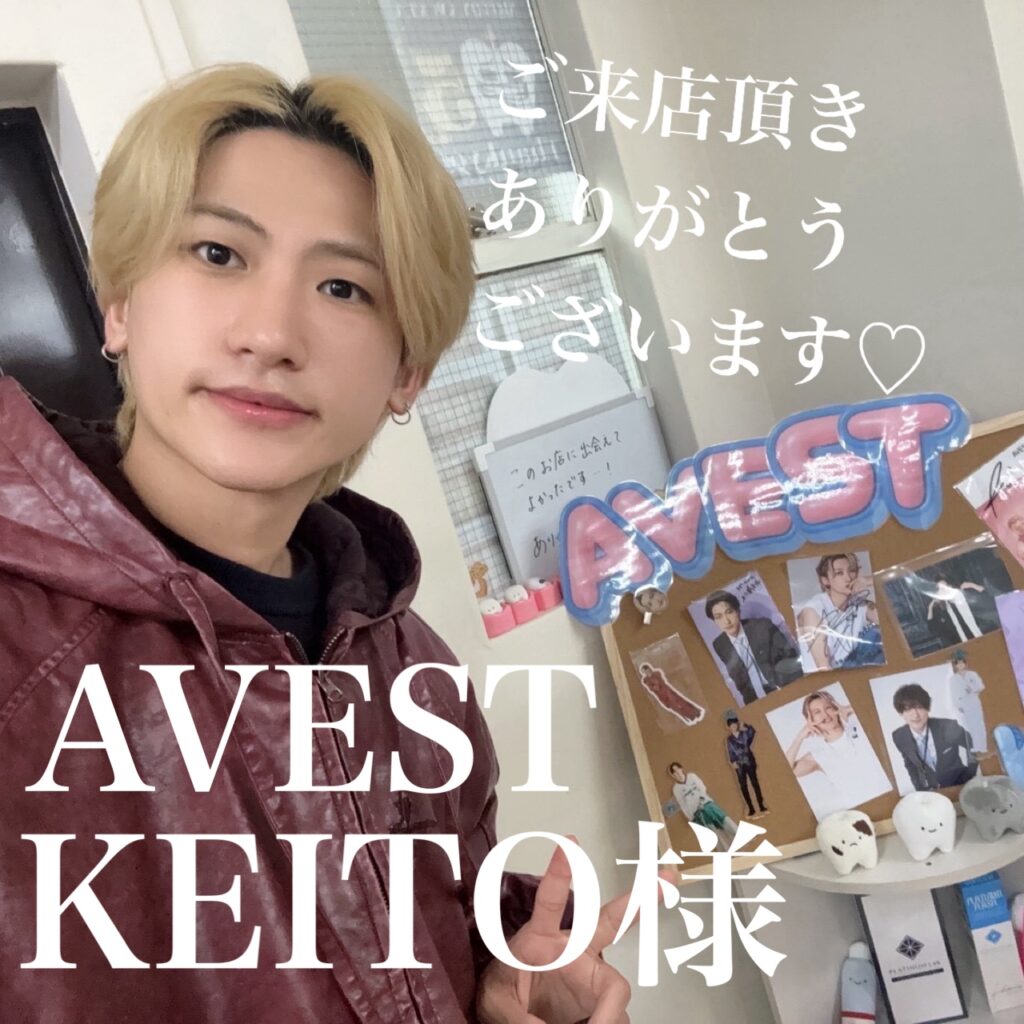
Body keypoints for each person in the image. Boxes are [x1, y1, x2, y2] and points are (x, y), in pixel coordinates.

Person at [0, 65, 637, 1024]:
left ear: (407, 371)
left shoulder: (414, 669)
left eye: (344, 286)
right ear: (120, 302)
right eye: (218, 253)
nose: (270, 334)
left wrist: (505, 997)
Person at [785, 691, 892, 816]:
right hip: (861, 812)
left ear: (836, 707)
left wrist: (850, 709)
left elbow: (888, 706)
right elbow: (784, 774)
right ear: (810, 720)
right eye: (817, 712)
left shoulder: (861, 727)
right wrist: (800, 736)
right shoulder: (817, 756)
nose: (825, 715)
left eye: (828, 708)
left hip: (890, 797)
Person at [706, 589, 803, 706]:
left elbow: (790, 656)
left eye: (729, 612)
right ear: (714, 621)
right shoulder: (719, 644)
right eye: (718, 617)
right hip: (755, 699)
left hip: (785, 686)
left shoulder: (762, 626)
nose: (726, 621)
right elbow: (736, 676)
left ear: (738, 611)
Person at [797, 553, 883, 671]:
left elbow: (889, 621)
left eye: (851, 571)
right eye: (839, 573)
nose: (848, 578)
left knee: (877, 635)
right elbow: (823, 667)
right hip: (825, 675)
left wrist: (868, 580)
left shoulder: (860, 604)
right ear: (825, 580)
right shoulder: (813, 611)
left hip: (852, 668)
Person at [891, 683, 979, 790]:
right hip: (932, 790)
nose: (915, 715)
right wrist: (920, 789)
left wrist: (970, 774)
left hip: (959, 784)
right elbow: (910, 764)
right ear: (901, 713)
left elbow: (974, 744)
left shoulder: (948, 726)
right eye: (908, 709)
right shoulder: (899, 736)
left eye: (919, 707)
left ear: (928, 708)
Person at [667, 762, 737, 845]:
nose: (677, 772)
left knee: (726, 821)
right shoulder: (676, 789)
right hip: (699, 815)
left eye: (677, 769)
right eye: (674, 772)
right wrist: (691, 819)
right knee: (715, 835)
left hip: (708, 805)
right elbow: (683, 806)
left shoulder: (692, 776)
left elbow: (702, 788)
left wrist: (701, 801)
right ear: (673, 775)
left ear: (681, 768)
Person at [724, 710, 767, 817]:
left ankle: (761, 805)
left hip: (749, 760)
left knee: (755, 783)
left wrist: (746, 725)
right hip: (739, 765)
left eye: (734, 723)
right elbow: (730, 752)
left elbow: (753, 731)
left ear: (737, 723)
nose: (733, 726)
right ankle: (751, 808)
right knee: (743, 786)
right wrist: (733, 762)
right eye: (731, 724)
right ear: (728, 726)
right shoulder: (729, 740)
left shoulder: (744, 733)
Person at [926, 573, 986, 643]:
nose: (944, 590)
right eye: (941, 588)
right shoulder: (944, 610)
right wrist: (930, 607)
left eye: (945, 586)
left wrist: (972, 585)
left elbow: (987, 596)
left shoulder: (962, 594)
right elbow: (932, 627)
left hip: (982, 635)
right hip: (963, 642)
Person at [638, 662, 704, 724]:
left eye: (645, 671)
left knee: (681, 702)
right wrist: (655, 686)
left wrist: (655, 685)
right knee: (674, 707)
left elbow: (661, 683)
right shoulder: (645, 680)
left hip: (667, 691)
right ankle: (691, 717)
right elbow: (652, 689)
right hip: (661, 695)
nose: (645, 673)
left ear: (649, 668)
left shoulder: (657, 673)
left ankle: (696, 713)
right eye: (643, 672)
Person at [949, 650, 988, 753]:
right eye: (958, 663)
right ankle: (975, 746)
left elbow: (981, 686)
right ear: (955, 665)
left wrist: (972, 688)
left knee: (979, 724)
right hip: (964, 705)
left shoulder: (972, 674)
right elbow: (953, 694)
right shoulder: (953, 679)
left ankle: (982, 746)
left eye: (962, 663)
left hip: (974, 702)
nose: (960, 665)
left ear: (965, 663)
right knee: (970, 726)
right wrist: (958, 706)